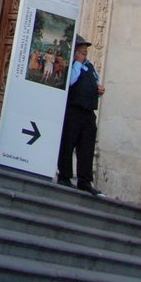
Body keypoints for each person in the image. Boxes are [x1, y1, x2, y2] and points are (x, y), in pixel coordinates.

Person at [57, 35, 106, 196]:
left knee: (87, 147)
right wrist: (77, 63)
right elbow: (70, 81)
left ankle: (85, 180)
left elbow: (95, 82)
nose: (84, 51)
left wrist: (98, 90)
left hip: (88, 111)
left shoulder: (90, 67)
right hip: (73, 109)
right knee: (68, 142)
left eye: (85, 49)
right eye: (81, 49)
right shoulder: (71, 65)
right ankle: (64, 176)